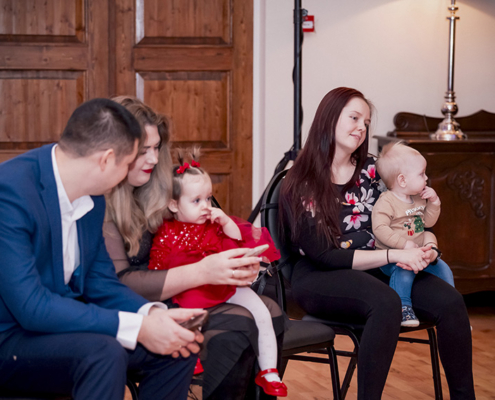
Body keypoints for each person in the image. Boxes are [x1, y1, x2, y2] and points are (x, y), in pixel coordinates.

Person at [0, 98, 204, 400]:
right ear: (106, 160)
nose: (127, 174)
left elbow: (101, 282)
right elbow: (32, 307)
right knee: (104, 353)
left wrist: (152, 315)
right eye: (128, 163)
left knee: (178, 345)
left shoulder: (92, 197)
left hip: (58, 326)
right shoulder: (10, 193)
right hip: (10, 337)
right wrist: (138, 327)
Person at [279, 87, 475, 399]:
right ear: (329, 118)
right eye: (354, 118)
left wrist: (421, 246)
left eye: (366, 122)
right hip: (319, 275)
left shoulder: (373, 171)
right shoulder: (302, 180)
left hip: (380, 267)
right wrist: (394, 254)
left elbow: (409, 215)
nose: (361, 127)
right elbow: (325, 256)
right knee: (386, 302)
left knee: (450, 301)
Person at [103, 96, 285, 400]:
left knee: (271, 311)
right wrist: (204, 271)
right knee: (236, 329)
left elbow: (206, 236)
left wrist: (237, 263)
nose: (153, 158)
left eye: (156, 148)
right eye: (143, 149)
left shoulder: (158, 190)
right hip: (134, 305)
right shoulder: (102, 204)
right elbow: (121, 281)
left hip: (172, 292)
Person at [148, 149, 287, 397]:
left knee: (262, 311)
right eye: (196, 201)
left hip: (225, 286)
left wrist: (227, 223)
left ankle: (269, 370)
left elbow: (235, 247)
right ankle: (191, 358)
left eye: (209, 198)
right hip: (192, 291)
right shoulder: (167, 233)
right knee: (187, 316)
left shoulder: (214, 225)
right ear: (173, 204)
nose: (206, 206)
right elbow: (158, 269)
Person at [373, 142, 455, 326]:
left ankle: (452, 306)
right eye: (421, 174)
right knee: (404, 271)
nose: (426, 178)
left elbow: (428, 223)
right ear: (402, 180)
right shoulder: (386, 202)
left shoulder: (418, 198)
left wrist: (434, 202)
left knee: (443, 268)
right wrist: (404, 246)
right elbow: (380, 229)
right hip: (393, 258)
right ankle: (404, 308)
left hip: (418, 253)